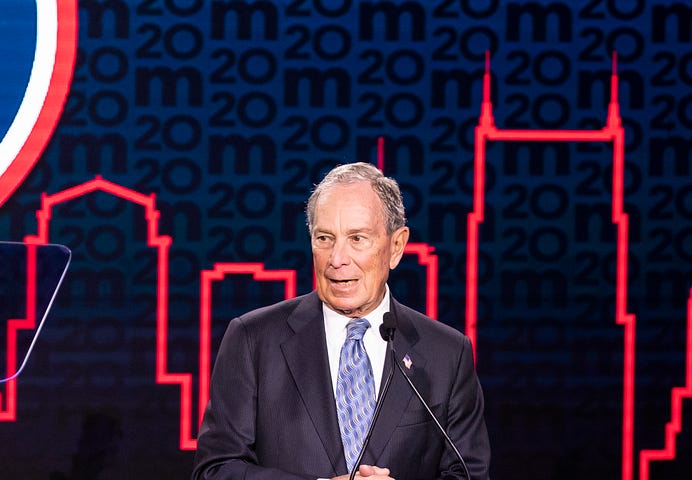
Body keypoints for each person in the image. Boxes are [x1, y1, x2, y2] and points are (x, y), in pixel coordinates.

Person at [193, 162, 490, 480]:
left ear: (396, 246)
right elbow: (215, 470)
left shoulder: (447, 353)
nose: (337, 259)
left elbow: (468, 475)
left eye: (357, 238)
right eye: (324, 238)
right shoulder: (253, 340)